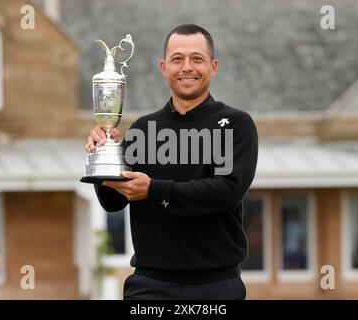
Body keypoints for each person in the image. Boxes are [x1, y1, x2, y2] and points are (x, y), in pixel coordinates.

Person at [85, 24, 258, 300]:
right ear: (164, 67)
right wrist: (102, 153)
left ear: (213, 66)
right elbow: (112, 200)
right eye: (177, 59)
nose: (186, 67)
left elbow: (226, 192)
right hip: (150, 287)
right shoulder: (143, 129)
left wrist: (154, 190)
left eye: (196, 59)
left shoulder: (235, 124)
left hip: (215, 288)